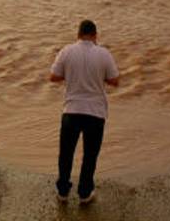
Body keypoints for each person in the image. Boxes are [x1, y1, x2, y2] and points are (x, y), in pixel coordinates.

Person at [49, 19, 119, 204]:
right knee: (90, 154)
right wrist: (99, 77)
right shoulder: (104, 54)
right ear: (95, 36)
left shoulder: (67, 51)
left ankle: (63, 191)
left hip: (71, 110)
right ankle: (84, 193)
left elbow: (53, 77)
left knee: (66, 153)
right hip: (95, 113)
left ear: (78, 34)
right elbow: (115, 81)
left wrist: (71, 74)